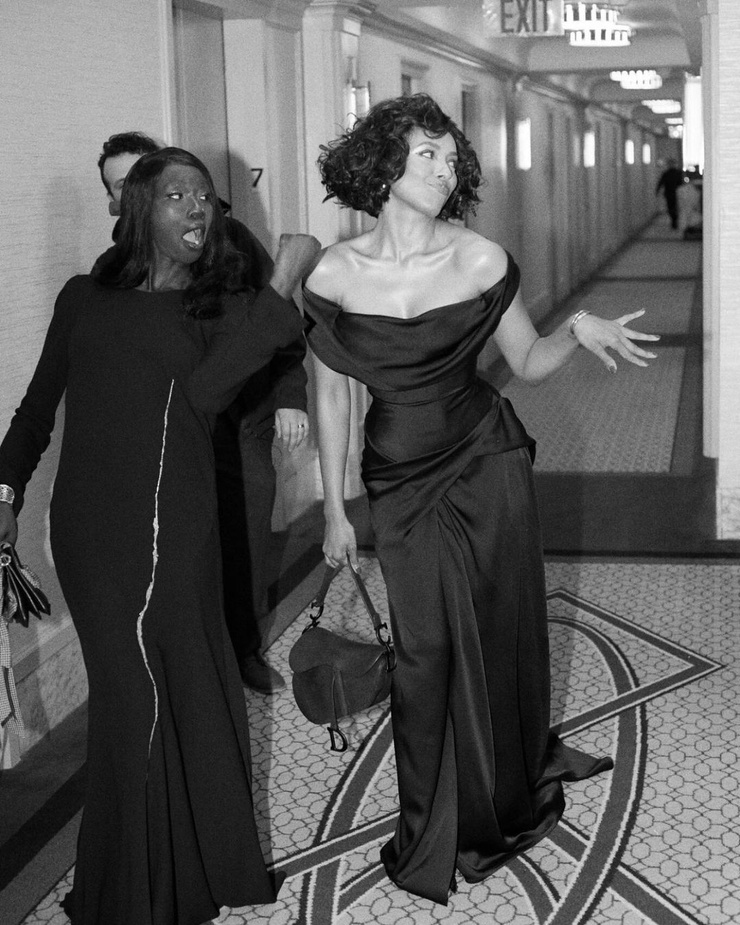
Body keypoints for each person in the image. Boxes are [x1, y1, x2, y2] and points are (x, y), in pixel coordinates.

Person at [302, 94, 659, 905]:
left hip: (485, 461)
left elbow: (526, 361)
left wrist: (576, 330)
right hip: (398, 476)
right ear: (381, 165)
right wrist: (333, 507)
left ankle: (500, 793)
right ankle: (431, 821)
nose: (444, 169)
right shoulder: (332, 272)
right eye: (426, 154)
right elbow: (328, 395)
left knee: (495, 632)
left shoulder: (479, 259)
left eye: (450, 157)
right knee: (424, 652)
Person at [0, 146, 320, 925]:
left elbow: (207, 393)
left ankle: (185, 870)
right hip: (91, 530)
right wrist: (4, 487)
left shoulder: (217, 307)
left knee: (182, 686)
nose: (197, 207)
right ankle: (135, 886)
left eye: (205, 197)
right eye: (178, 195)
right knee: (131, 694)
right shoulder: (82, 298)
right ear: (138, 206)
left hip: (177, 528)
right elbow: (38, 407)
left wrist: (282, 283)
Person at [97, 132, 309, 694]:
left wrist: (290, 394)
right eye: (121, 185)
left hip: (241, 428)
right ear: (118, 200)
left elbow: (278, 318)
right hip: (170, 438)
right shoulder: (111, 273)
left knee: (247, 545)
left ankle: (243, 651)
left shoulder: (231, 239)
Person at [655, 157, 684, 230]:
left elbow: (660, 183)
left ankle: (674, 221)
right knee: (674, 207)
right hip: (674, 193)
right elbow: (661, 182)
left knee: (672, 207)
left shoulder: (668, 173)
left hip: (671, 193)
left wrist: (657, 190)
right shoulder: (676, 173)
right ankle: (675, 221)